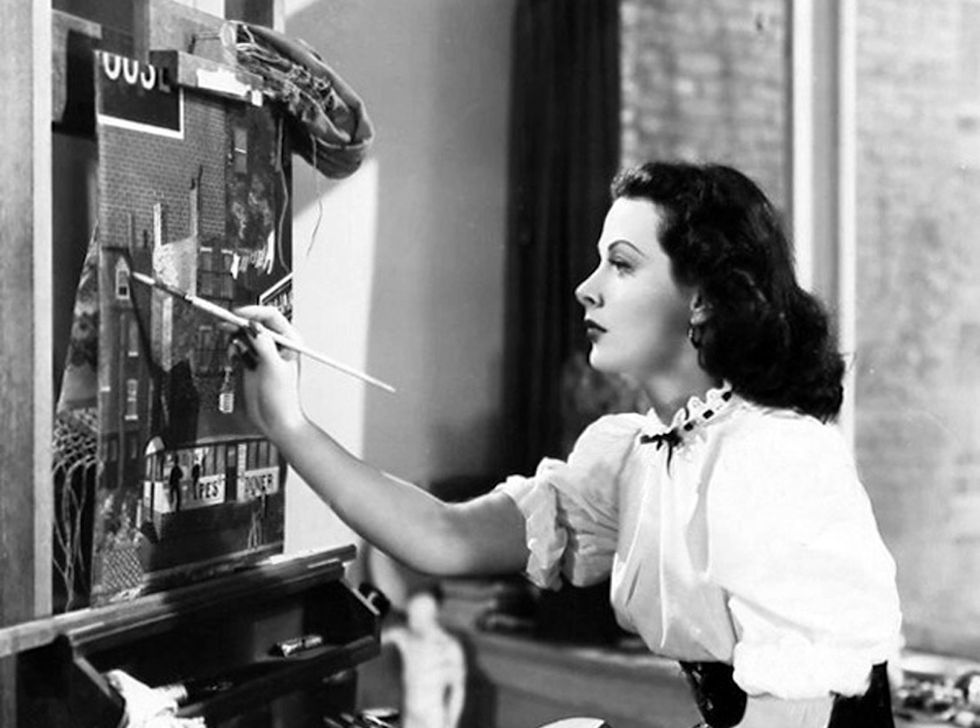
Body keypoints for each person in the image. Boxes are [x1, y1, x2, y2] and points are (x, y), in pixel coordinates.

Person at [231, 161, 902, 728]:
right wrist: (289, 424)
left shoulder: (775, 459)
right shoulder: (634, 458)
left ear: (701, 299)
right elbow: (444, 537)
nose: (587, 288)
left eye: (622, 265)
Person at [383, 590, 466, 728]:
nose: (410, 622)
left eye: (415, 618)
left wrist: (452, 724)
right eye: (410, 616)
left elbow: (458, 691)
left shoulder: (448, 648)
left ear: (429, 617)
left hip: (432, 719)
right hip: (410, 716)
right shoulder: (404, 637)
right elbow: (381, 638)